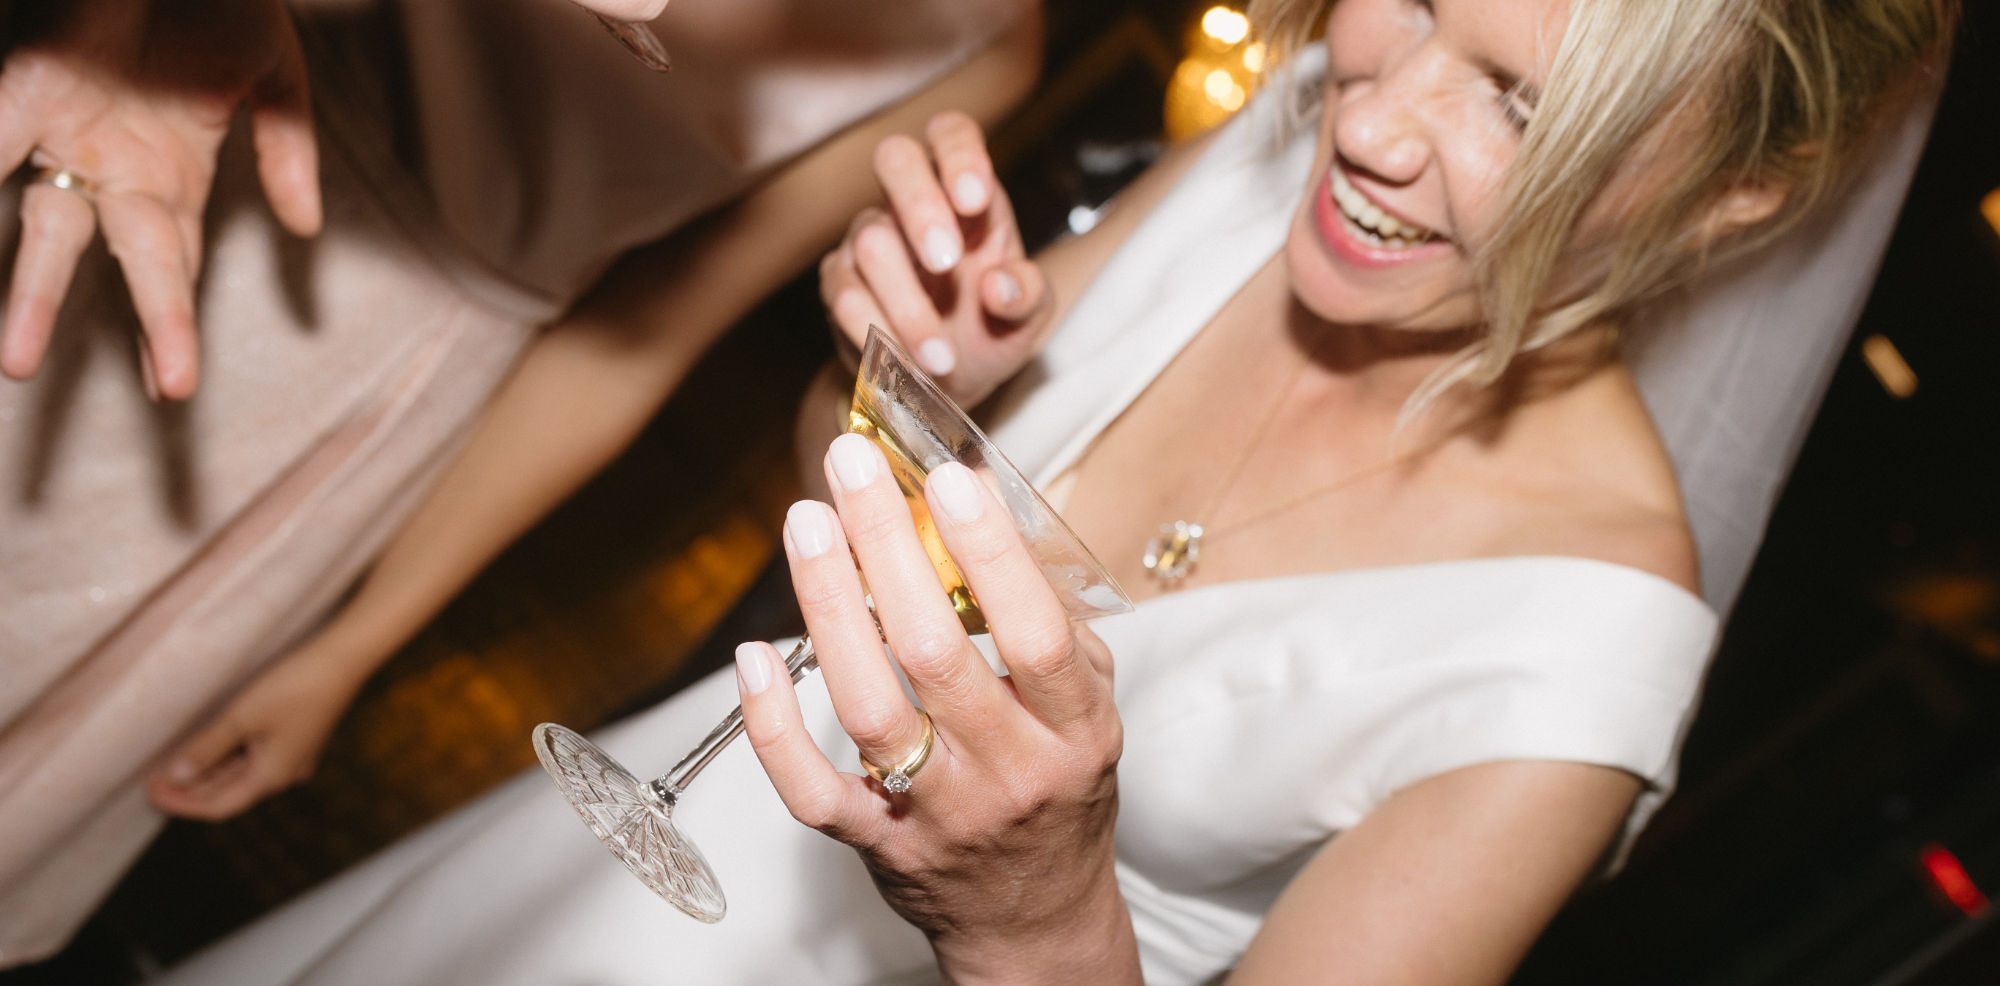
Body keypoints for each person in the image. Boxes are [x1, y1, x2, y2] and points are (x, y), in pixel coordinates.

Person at [155, 0, 1955, 983]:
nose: (1379, 117)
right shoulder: (1274, 171)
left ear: (1736, 201)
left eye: (1514, 109)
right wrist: (912, 383)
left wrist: (1033, 914)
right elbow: (854, 504)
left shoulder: (1579, 666)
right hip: (629, 861)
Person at [0, 0, 1041, 965]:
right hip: (159, 105)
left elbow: (633, 343)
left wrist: (352, 641)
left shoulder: (984, 40)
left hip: (371, 391)